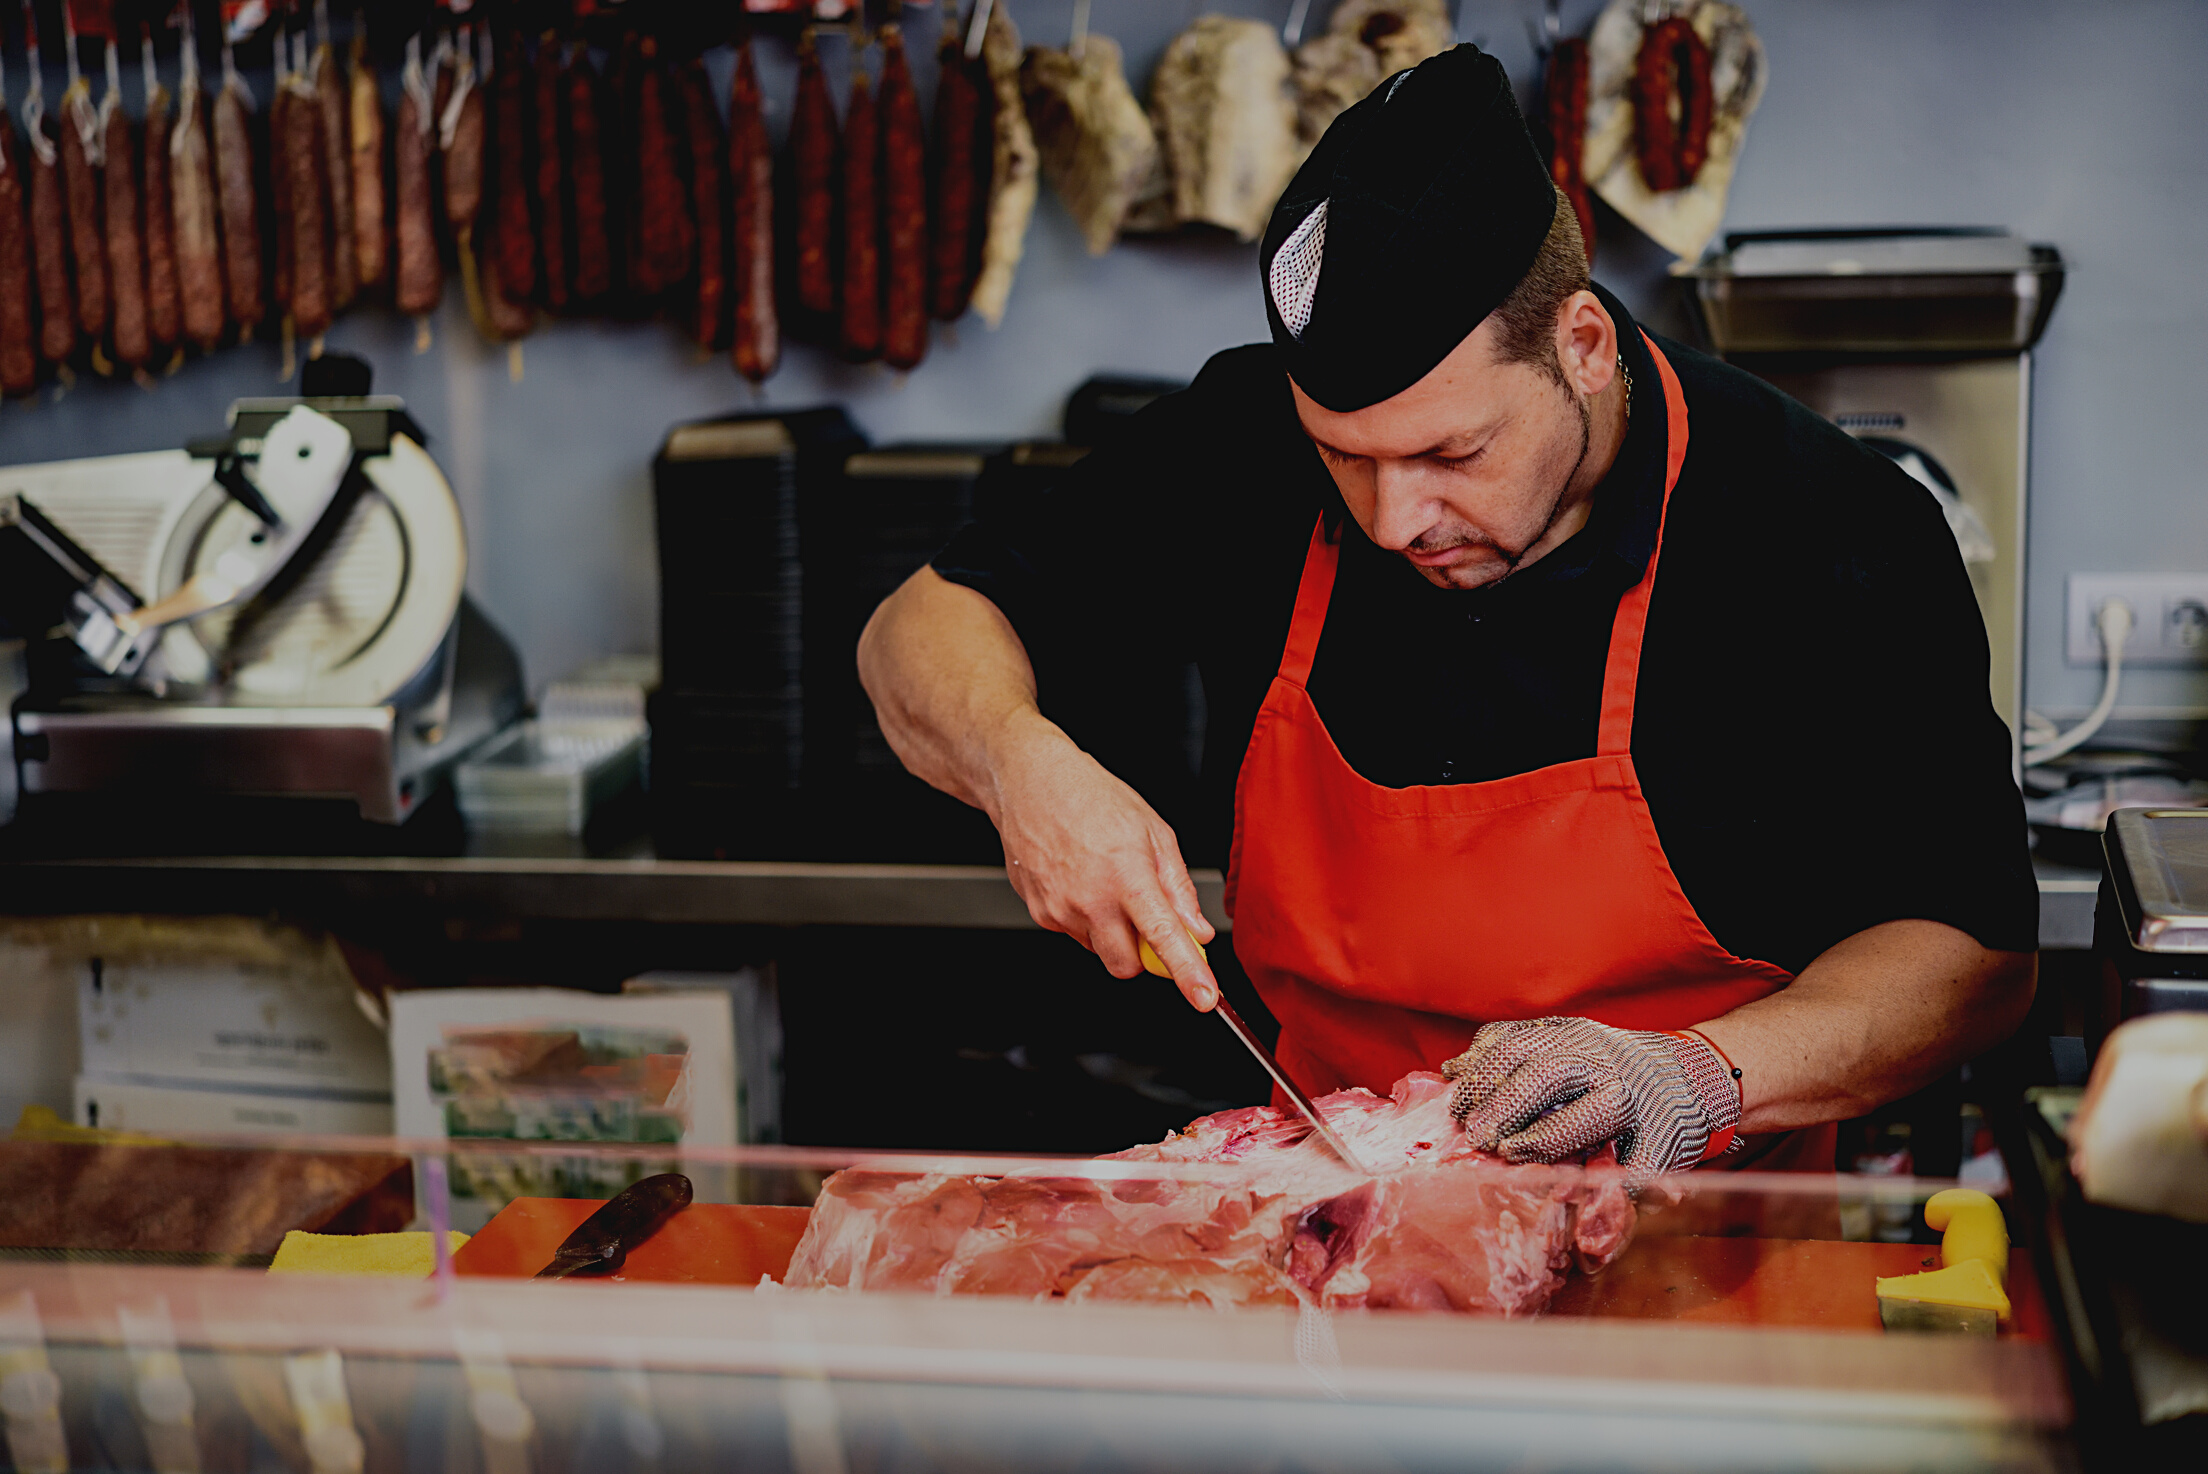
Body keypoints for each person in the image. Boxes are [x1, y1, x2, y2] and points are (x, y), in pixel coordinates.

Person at [858, 44, 2036, 1173]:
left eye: (1451, 451)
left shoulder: (1819, 527)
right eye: (1345, 458)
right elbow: (916, 628)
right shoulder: (1243, 444)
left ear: (1578, 344)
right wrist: (1023, 767)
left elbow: (1974, 952)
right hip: (1339, 1232)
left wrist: (1697, 1075)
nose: (1392, 519)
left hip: (1706, 1255)